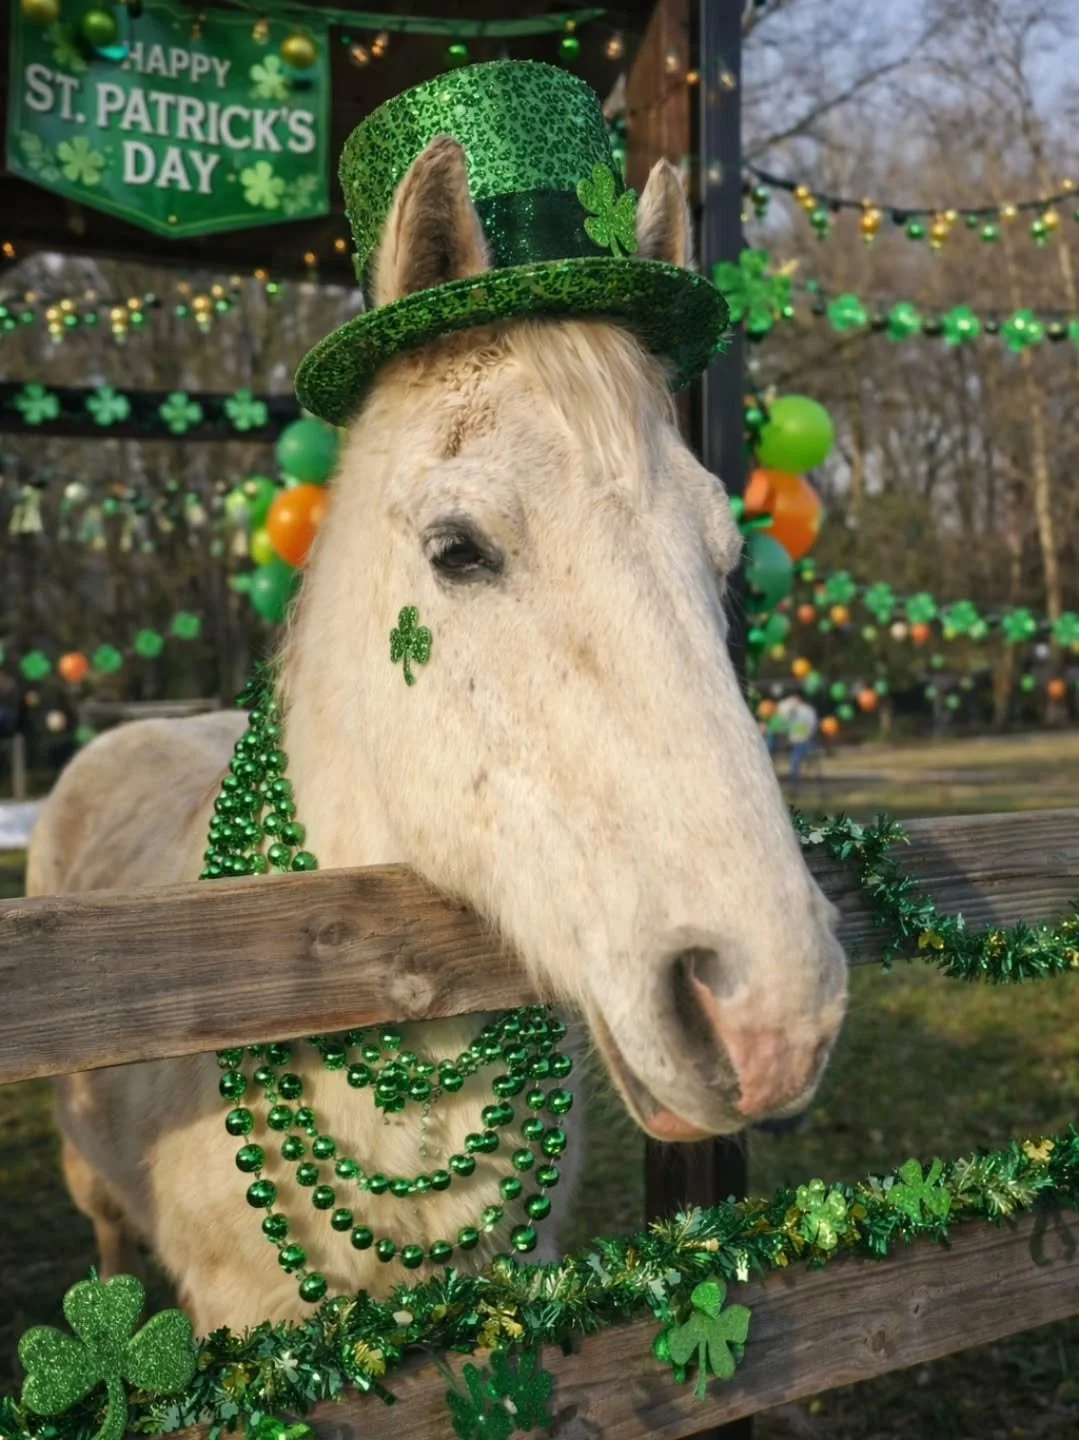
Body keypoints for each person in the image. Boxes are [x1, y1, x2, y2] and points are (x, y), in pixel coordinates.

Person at [776, 693, 818, 784]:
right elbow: (782, 720)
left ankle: (793, 780)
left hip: (803, 741)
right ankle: (792, 777)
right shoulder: (788, 710)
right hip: (791, 741)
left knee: (796, 758)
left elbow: (811, 727)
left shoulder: (806, 711)